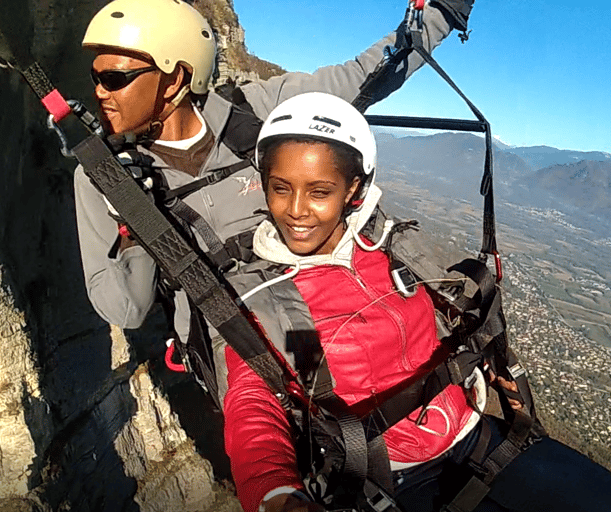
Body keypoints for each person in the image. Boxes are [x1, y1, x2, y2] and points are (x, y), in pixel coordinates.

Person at [221, 92, 611, 512]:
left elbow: (443, 318)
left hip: (475, 432)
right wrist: (273, 490)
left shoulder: (391, 247)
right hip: (393, 475)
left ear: (353, 189)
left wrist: (495, 366)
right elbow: (250, 398)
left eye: (319, 191)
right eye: (281, 188)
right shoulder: (265, 294)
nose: (295, 210)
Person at [73, 0, 475, 392]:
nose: (100, 92)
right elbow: (127, 309)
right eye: (96, 78)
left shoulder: (254, 109)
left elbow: (362, 78)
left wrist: (440, 13)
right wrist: (133, 222)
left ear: (175, 78)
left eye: (114, 79)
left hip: (328, 296)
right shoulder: (101, 177)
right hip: (239, 342)